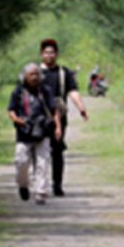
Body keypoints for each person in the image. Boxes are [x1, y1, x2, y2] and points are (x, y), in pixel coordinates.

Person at [7, 63, 62, 205]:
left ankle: (40, 192)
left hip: (43, 132)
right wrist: (16, 120)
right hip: (24, 133)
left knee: (43, 163)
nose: (35, 77)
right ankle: (23, 185)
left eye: (37, 74)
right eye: (31, 74)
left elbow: (54, 109)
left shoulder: (45, 91)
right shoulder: (18, 92)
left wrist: (57, 127)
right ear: (25, 76)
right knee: (21, 162)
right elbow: (11, 109)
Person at [39, 38, 88, 197]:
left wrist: (81, 108)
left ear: (57, 54)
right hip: (38, 117)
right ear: (41, 54)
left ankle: (57, 184)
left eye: (52, 52)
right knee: (39, 151)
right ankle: (40, 184)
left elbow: (72, 91)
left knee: (57, 151)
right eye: (46, 52)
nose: (49, 55)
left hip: (59, 117)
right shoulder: (35, 73)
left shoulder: (63, 73)